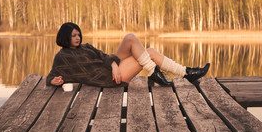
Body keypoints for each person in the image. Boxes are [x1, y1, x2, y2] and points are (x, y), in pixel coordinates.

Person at [47, 22, 210, 88]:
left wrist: (112, 64)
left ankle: (185, 72)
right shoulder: (62, 57)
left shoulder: (85, 47)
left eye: (78, 34)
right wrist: (53, 81)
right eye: (73, 35)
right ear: (64, 37)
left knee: (135, 41)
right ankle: (175, 73)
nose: (77, 38)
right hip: (108, 79)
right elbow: (51, 76)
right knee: (150, 53)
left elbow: (103, 55)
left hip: (111, 70)